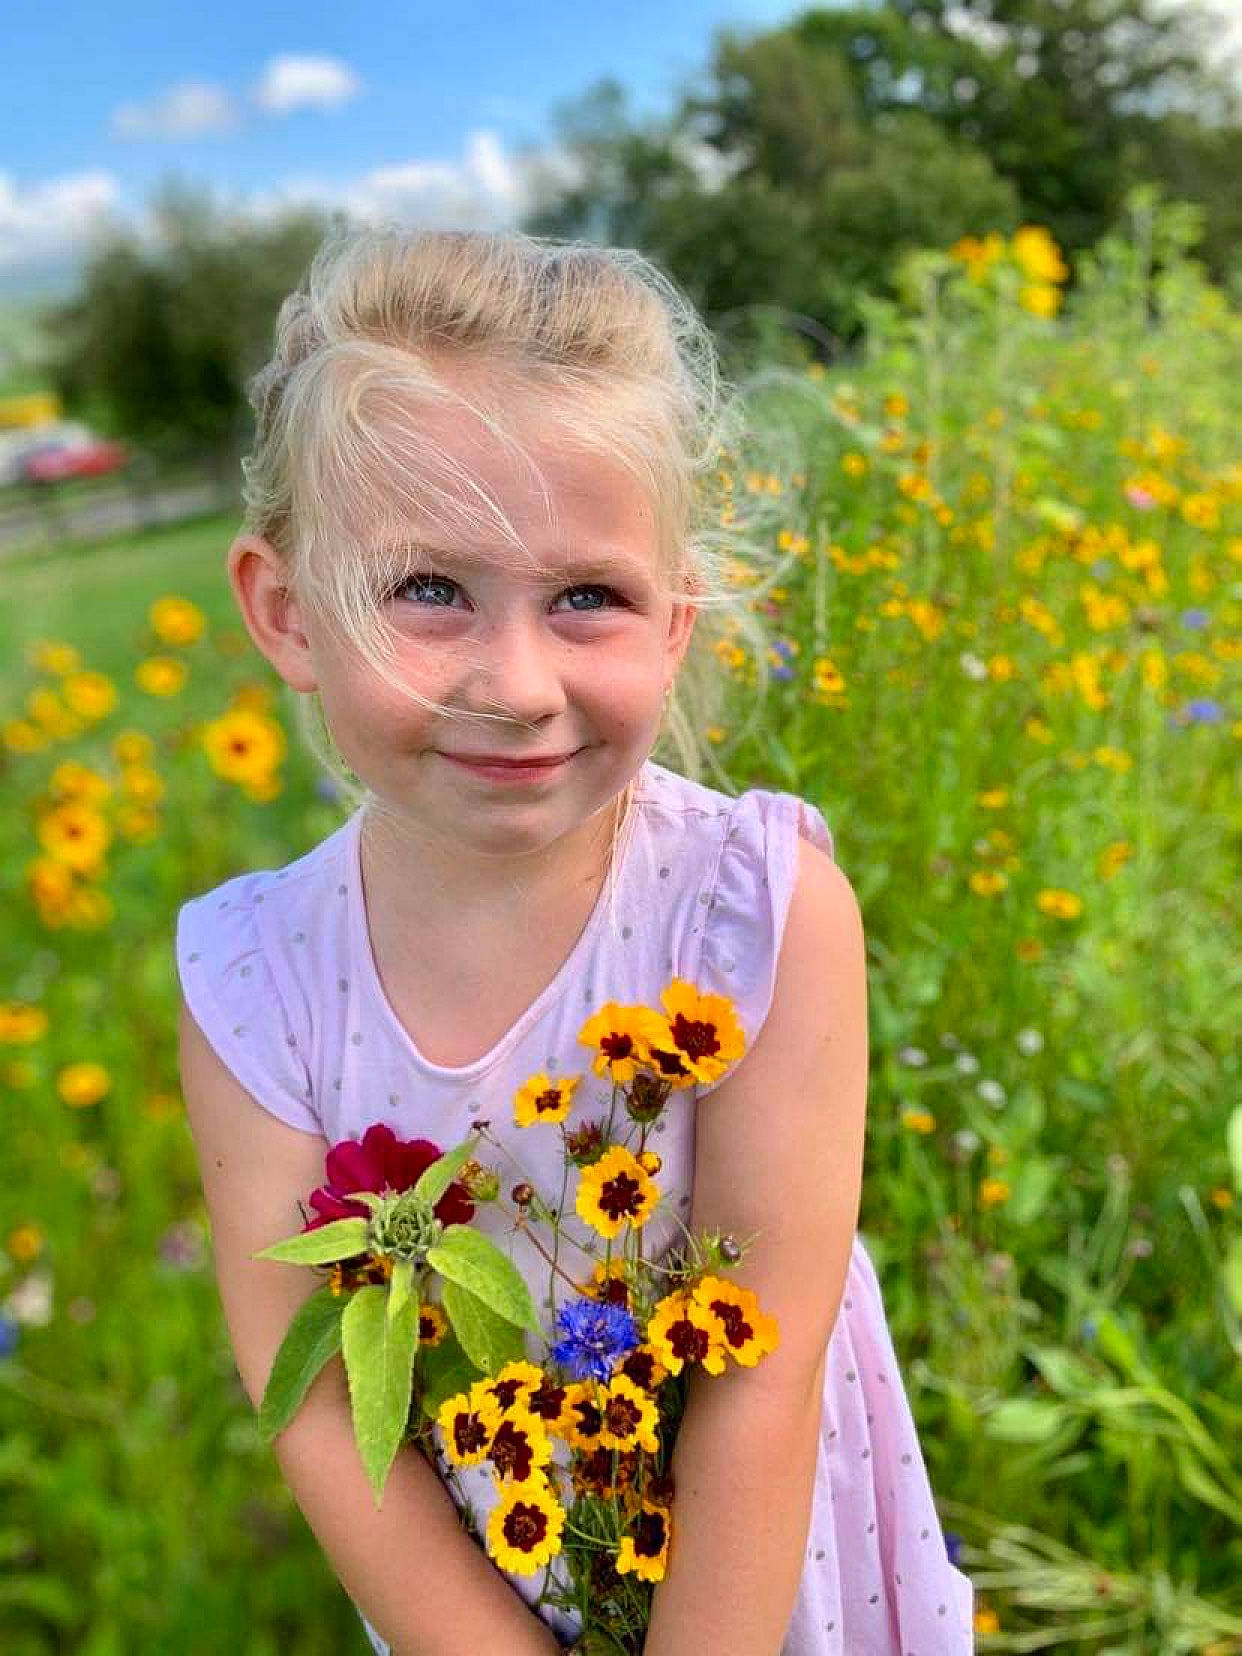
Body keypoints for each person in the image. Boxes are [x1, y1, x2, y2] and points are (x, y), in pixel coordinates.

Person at [175, 224, 975, 1656]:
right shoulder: (252, 981)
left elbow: (762, 1365)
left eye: (585, 599)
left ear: (674, 625)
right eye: (428, 590)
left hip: (762, 1574)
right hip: (476, 1581)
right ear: (288, 613)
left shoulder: (754, 908)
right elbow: (303, 1393)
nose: (517, 682)